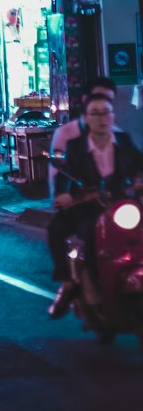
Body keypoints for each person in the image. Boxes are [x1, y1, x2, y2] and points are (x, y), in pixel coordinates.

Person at [48, 92, 143, 318]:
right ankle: (70, 284)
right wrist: (64, 196)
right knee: (66, 232)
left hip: (121, 204)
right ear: (86, 119)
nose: (101, 118)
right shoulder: (74, 147)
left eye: (106, 112)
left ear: (112, 116)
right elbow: (62, 177)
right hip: (86, 206)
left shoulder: (125, 143)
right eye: (95, 113)